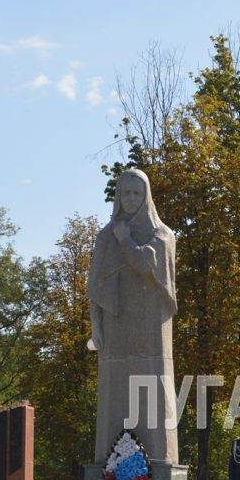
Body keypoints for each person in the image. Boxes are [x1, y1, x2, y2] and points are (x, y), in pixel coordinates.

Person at [87, 168, 179, 464]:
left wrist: (125, 240)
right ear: (118, 196)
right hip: (116, 329)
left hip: (152, 329)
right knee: (114, 393)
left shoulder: (162, 235)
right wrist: (96, 327)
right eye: (125, 193)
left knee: (152, 391)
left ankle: (156, 459)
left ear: (146, 196)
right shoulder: (106, 237)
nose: (130, 198)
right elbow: (96, 288)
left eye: (136, 193)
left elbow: (143, 262)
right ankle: (111, 461)